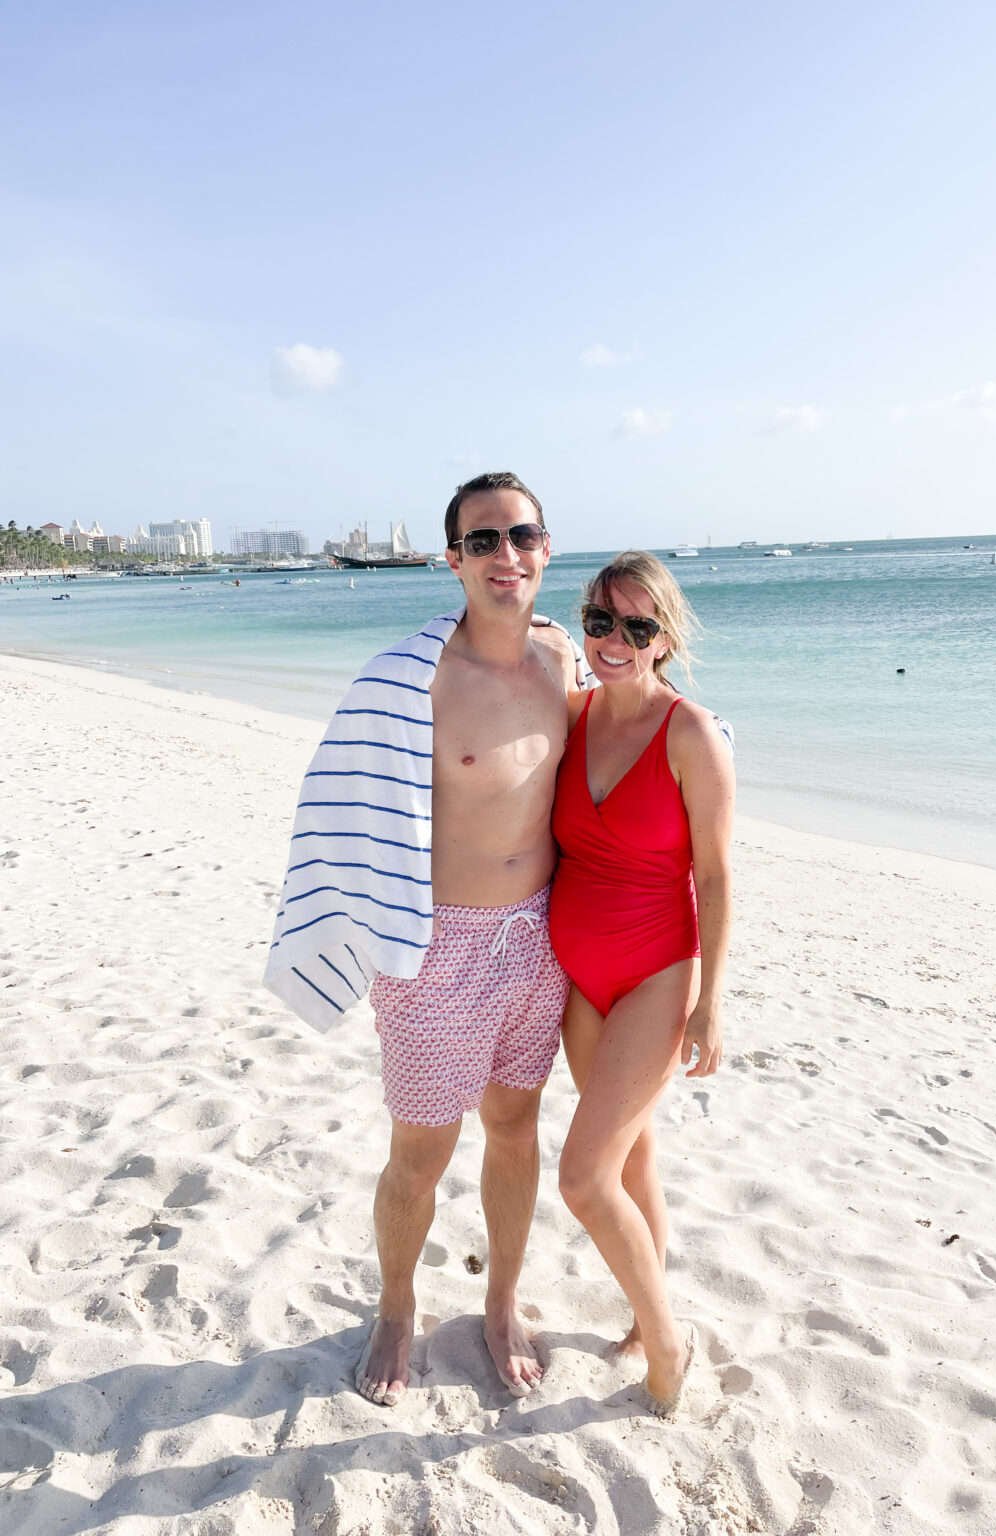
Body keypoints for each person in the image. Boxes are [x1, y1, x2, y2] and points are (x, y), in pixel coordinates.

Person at [264, 471, 588, 1406]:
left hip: (538, 939)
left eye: (520, 536)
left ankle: (500, 1302)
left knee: (516, 1128)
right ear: (452, 559)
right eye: (481, 541)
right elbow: (340, 803)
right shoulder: (410, 680)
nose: (504, 555)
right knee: (421, 1150)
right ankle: (397, 1306)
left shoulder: (561, 661)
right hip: (436, 949)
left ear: (545, 548)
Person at [549, 550, 735, 1416]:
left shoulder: (691, 734)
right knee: (633, 1155)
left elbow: (716, 877)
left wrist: (710, 1001)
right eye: (598, 622)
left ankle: (667, 1337)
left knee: (585, 1177)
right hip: (579, 974)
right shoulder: (573, 714)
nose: (613, 642)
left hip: (658, 971)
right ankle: (642, 1306)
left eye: (636, 627)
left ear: (664, 637)